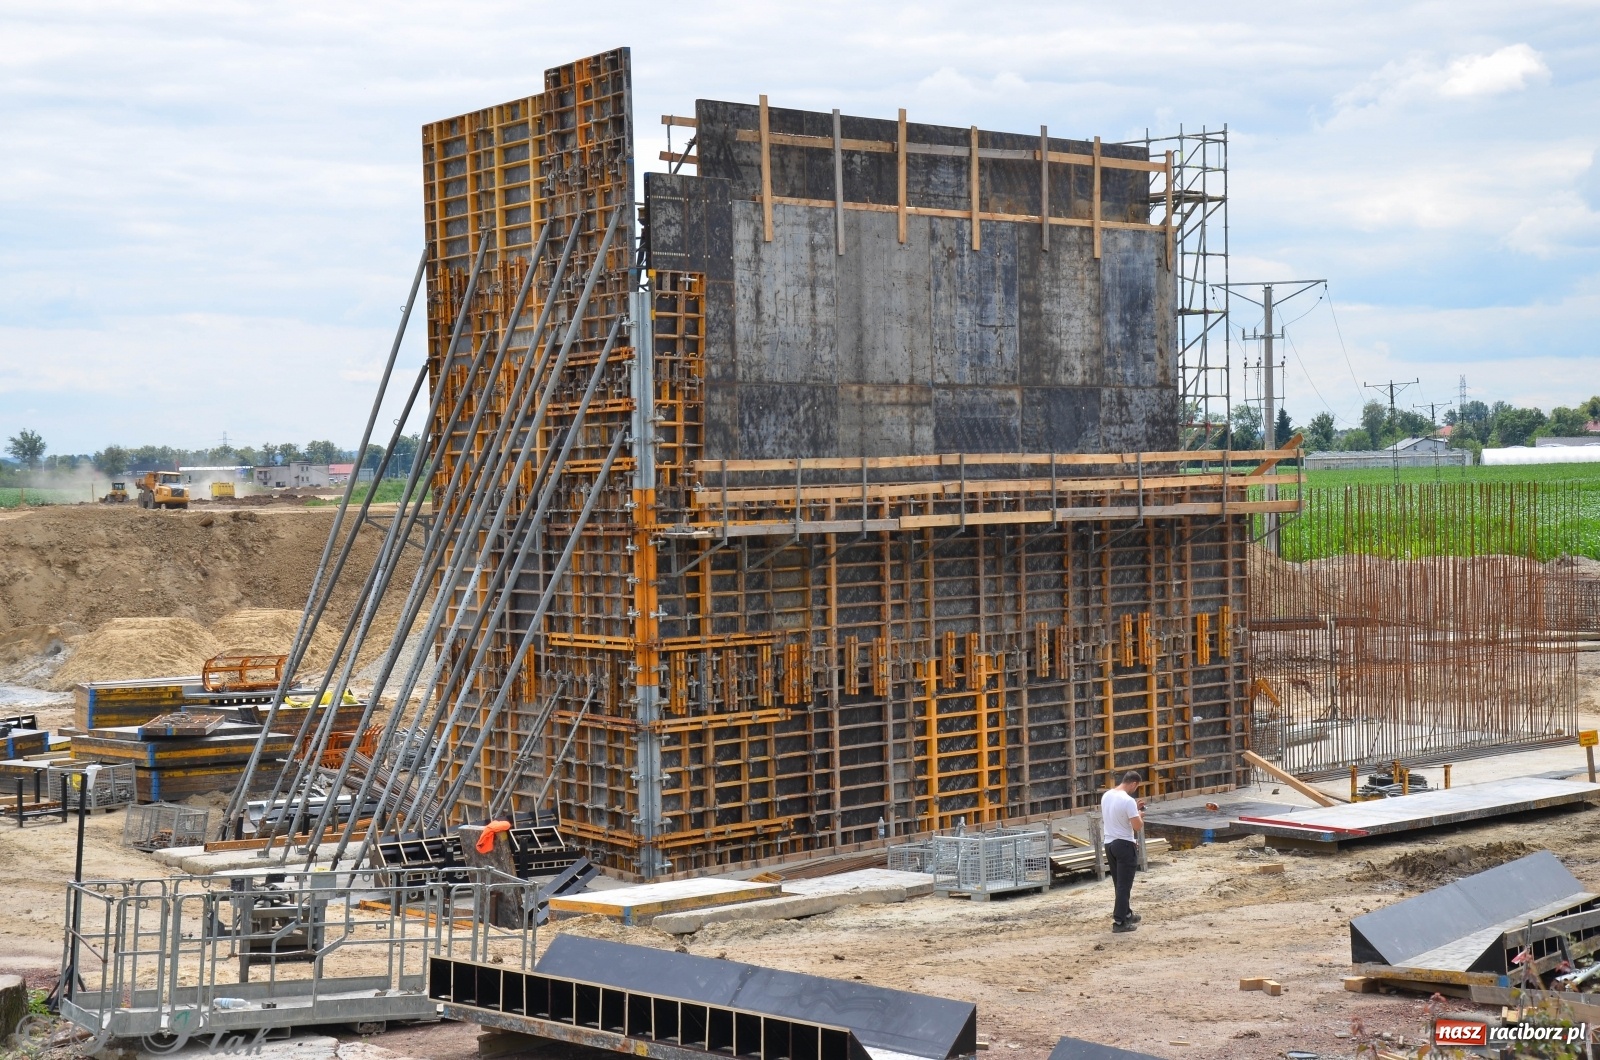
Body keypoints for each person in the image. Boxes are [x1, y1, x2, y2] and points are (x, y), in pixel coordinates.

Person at [1100, 771, 1145, 933]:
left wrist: (1134, 810)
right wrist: (1139, 815)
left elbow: (1116, 815)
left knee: (1119, 883)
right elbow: (1137, 826)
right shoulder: (1128, 801)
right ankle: (1119, 922)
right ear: (1133, 784)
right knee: (1124, 885)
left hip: (1109, 844)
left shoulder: (1107, 795)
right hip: (1124, 845)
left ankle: (1126, 913)